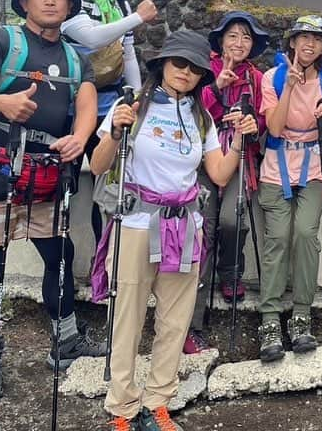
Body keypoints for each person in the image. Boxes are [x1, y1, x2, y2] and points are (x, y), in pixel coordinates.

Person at [89, 30, 258, 431]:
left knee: (175, 319)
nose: (185, 72)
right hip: (135, 223)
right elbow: (97, 166)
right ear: (162, 65)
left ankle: (158, 403)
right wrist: (114, 131)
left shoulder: (202, 119)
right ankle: (122, 409)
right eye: (178, 63)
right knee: (127, 317)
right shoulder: (134, 108)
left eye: (195, 67)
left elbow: (217, 173)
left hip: (184, 225)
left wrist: (238, 140)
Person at [0, 0, 103, 401]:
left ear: (71, 9)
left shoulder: (77, 60)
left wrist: (80, 135)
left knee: (60, 255)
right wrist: (4, 102)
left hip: (48, 173)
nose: (52, 2)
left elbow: (86, 107)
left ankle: (67, 339)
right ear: (25, 4)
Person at [257, 15, 322, 362]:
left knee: (306, 234)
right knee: (278, 237)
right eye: (302, 38)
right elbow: (275, 128)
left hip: (314, 165)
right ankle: (269, 318)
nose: (308, 45)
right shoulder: (274, 78)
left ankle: (301, 313)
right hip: (277, 164)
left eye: (316, 40)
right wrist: (290, 88)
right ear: (292, 43)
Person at [61, 0, 157, 240]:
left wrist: (137, 96)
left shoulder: (121, 3)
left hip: (108, 105)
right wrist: (138, 18)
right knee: (66, 181)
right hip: (69, 105)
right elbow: (91, 37)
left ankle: (103, 258)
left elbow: (127, 53)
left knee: (107, 181)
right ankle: (61, 260)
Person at [184, 11, 269, 354]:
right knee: (201, 230)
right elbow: (190, 108)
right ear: (220, 41)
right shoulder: (204, 70)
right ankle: (191, 322)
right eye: (232, 36)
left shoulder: (256, 77)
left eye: (246, 37)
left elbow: (263, 119)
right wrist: (216, 88)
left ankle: (231, 271)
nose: (239, 43)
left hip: (239, 158)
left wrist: (249, 124)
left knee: (234, 219)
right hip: (202, 157)